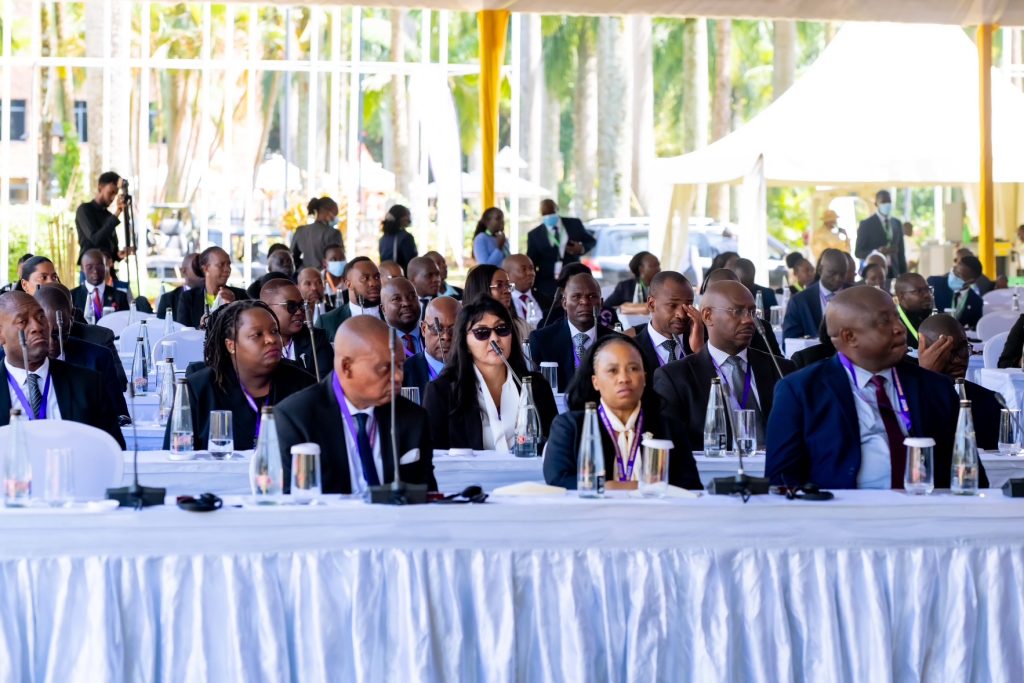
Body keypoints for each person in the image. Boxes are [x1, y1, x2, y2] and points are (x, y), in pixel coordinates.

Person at [765, 286, 988, 490]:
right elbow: (782, 481)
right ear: (849, 336)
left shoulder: (935, 387)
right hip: (838, 522)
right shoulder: (801, 391)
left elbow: (969, 473)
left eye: (897, 318)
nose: (900, 329)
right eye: (884, 321)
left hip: (925, 517)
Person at [275, 315, 437, 495]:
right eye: (385, 368)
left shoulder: (413, 417)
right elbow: (295, 503)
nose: (398, 377)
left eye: (400, 366)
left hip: (395, 520)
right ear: (346, 367)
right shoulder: (297, 417)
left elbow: (427, 496)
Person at [544, 335, 702, 490]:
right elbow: (558, 480)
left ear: (645, 378)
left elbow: (691, 485)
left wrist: (627, 488)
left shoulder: (671, 429)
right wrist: (613, 487)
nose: (624, 378)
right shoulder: (570, 426)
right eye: (612, 370)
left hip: (656, 515)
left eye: (633, 369)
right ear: (596, 382)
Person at [654, 281, 795, 451]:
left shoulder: (783, 370)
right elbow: (672, 447)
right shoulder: (676, 378)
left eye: (752, 311)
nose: (749, 320)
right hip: (710, 474)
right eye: (738, 311)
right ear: (707, 316)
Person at [164, 301, 314, 452]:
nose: (271, 339)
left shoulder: (304, 386)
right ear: (231, 345)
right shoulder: (196, 391)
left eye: (275, 331)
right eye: (257, 335)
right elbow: (175, 460)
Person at [423, 298, 557, 451]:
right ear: (464, 342)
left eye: (502, 329)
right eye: (482, 333)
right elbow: (434, 456)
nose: (495, 339)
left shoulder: (536, 387)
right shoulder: (442, 391)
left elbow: (554, 447)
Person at [0, 292, 124, 447]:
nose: (37, 327)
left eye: (41, 317)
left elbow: (113, 451)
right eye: (23, 321)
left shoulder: (88, 384)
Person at [32, 285, 129, 424]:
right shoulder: (15, 361)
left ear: (71, 318)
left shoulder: (98, 358)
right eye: (44, 334)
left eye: (60, 334)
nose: (53, 345)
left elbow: (120, 417)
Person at [917, 314, 999, 450]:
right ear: (924, 351)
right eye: (949, 352)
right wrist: (929, 377)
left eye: (963, 348)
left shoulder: (989, 401)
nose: (959, 360)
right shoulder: (907, 397)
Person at [528, 272, 616, 393]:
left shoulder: (615, 341)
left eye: (591, 296)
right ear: (564, 303)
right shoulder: (542, 340)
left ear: (601, 303)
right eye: (576, 296)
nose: (584, 302)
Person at [631, 271, 703, 378]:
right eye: (672, 305)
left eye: (688, 305)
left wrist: (700, 352)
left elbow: (715, 388)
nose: (682, 315)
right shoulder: (631, 349)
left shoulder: (703, 344)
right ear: (651, 304)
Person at [259, 278, 333, 380]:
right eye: (291, 306)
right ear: (268, 308)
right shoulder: (256, 344)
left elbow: (325, 383)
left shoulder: (315, 338)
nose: (299, 312)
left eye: (301, 305)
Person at [526, 198, 595, 297]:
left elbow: (591, 241)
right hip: (546, 285)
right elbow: (531, 262)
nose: (549, 216)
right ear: (541, 214)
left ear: (557, 209)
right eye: (545, 214)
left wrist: (581, 248)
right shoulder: (534, 235)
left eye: (551, 212)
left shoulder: (574, 224)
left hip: (574, 278)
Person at [175, 246, 248, 328]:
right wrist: (202, 327)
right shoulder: (188, 298)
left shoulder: (241, 296)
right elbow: (183, 333)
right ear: (206, 268)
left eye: (229, 264)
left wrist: (234, 306)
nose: (227, 269)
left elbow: (249, 327)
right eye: (221, 265)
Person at [783, 248, 846, 339]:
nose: (838, 278)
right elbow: (790, 342)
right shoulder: (799, 302)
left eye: (842, 274)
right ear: (820, 270)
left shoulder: (857, 295)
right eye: (832, 273)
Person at [403, 297, 460, 398]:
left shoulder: (475, 370)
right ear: (424, 329)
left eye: (454, 329)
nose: (446, 337)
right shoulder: (404, 372)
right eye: (437, 329)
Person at [316, 257, 383, 340]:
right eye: (364, 278)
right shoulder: (327, 322)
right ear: (348, 284)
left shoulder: (393, 315)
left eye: (377, 277)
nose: (373, 283)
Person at [463, 264, 530, 341]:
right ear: (481, 289)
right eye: (499, 285)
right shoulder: (466, 329)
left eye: (508, 285)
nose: (507, 291)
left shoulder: (520, 325)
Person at [74, 171, 125, 265]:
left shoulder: (109, 216)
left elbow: (110, 248)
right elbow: (95, 240)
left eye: (116, 193)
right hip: (91, 272)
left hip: (108, 272)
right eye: (111, 192)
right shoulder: (84, 210)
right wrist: (117, 212)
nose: (113, 197)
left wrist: (118, 255)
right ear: (100, 187)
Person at [855, 190, 906, 276]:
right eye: (883, 202)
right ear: (876, 204)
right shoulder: (866, 224)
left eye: (889, 201)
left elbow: (901, 252)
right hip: (874, 273)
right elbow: (858, 252)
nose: (887, 204)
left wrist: (904, 274)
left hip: (894, 271)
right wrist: (877, 252)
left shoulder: (896, 223)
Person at [927, 254, 984, 329]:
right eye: (954, 270)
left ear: (971, 281)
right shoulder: (934, 283)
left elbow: (975, 328)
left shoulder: (976, 301)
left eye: (959, 275)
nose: (954, 275)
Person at [69, 248, 130, 319]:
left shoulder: (120, 296)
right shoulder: (72, 297)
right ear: (82, 269)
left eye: (99, 266)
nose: (95, 271)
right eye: (89, 267)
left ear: (105, 266)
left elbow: (125, 324)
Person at [291, 196, 343, 270]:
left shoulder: (300, 231)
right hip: (324, 277)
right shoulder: (334, 233)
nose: (334, 218)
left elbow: (293, 257)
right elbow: (339, 260)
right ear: (327, 212)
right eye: (334, 214)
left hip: (304, 275)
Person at [381, 277, 423, 357]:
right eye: (397, 299)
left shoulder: (435, 338)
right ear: (383, 310)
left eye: (412, 296)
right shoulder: (378, 343)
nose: (406, 303)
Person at [503, 253, 550, 323]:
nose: (530, 273)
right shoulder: (500, 304)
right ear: (506, 275)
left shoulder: (547, 301)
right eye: (523, 269)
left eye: (531, 268)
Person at [892, 273, 934, 350]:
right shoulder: (894, 326)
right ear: (901, 296)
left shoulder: (932, 316)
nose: (927, 295)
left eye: (928, 290)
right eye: (919, 291)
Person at [156, 253, 202, 320]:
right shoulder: (168, 300)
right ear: (184, 271)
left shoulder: (216, 295)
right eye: (197, 266)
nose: (202, 270)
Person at [378, 205, 417, 273]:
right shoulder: (406, 237)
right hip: (401, 277)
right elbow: (412, 263)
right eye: (408, 215)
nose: (409, 219)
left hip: (386, 276)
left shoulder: (383, 238)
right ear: (402, 218)